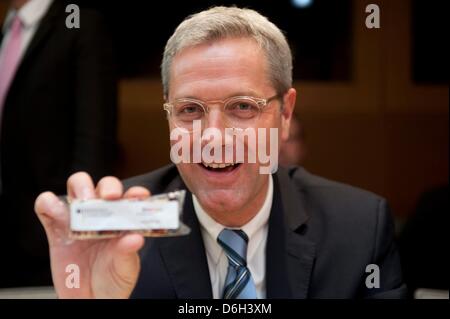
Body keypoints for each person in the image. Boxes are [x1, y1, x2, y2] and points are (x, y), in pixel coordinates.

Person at [34, 6, 406, 298]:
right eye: (190, 110)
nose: (213, 137)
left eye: (242, 107)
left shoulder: (358, 230)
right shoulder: (121, 234)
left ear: (286, 113)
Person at [0, 0, 117, 287]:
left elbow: (94, 136)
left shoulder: (79, 22)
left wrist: (75, 227)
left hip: (49, 233)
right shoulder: (6, 28)